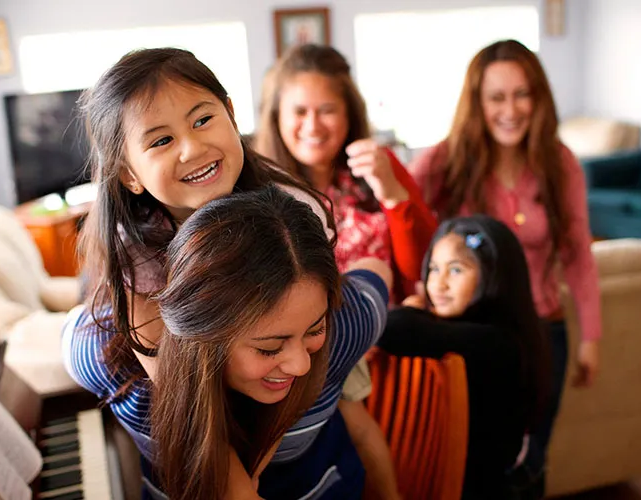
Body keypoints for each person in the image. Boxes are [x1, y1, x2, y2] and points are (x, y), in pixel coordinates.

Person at [62, 47, 396, 498]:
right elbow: (180, 388)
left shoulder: (295, 209)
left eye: (202, 120)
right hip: (208, 396)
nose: (193, 148)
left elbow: (304, 374)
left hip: (301, 357)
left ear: (231, 115)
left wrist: (256, 461)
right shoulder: (135, 253)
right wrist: (234, 478)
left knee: (343, 396)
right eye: (161, 141)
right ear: (128, 174)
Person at [65, 187, 391, 499]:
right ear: (203, 335)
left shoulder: (345, 328)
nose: (301, 364)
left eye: (314, 328)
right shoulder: (112, 362)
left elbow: (376, 270)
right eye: (269, 347)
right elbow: (74, 329)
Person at [407, 39, 602, 470]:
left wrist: (590, 337)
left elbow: (578, 255)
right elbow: (405, 223)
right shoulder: (444, 160)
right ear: (477, 103)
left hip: (542, 333)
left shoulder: (560, 162)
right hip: (469, 336)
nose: (510, 110)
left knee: (531, 460)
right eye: (496, 97)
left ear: (539, 98)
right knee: (467, 465)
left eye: (522, 94)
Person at [377, 215, 548, 499]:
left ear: (495, 275)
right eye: (433, 269)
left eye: (456, 270)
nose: (439, 283)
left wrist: (412, 309)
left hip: (503, 485)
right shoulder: (481, 330)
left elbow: (394, 329)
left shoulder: (497, 341)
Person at [255, 43, 437, 300]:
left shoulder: (382, 164)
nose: (313, 126)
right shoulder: (257, 186)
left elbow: (424, 268)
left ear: (349, 114)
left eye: (327, 111)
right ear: (276, 117)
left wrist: (392, 194)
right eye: (299, 112)